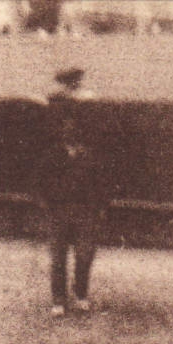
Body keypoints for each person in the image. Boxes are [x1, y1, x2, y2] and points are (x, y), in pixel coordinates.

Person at [34, 68, 110, 317]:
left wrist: (99, 208)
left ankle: (80, 294)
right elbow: (41, 182)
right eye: (67, 131)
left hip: (85, 210)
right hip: (59, 209)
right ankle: (58, 299)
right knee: (58, 259)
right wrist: (47, 204)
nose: (71, 133)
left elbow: (100, 184)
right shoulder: (51, 155)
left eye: (75, 132)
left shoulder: (91, 156)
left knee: (85, 255)